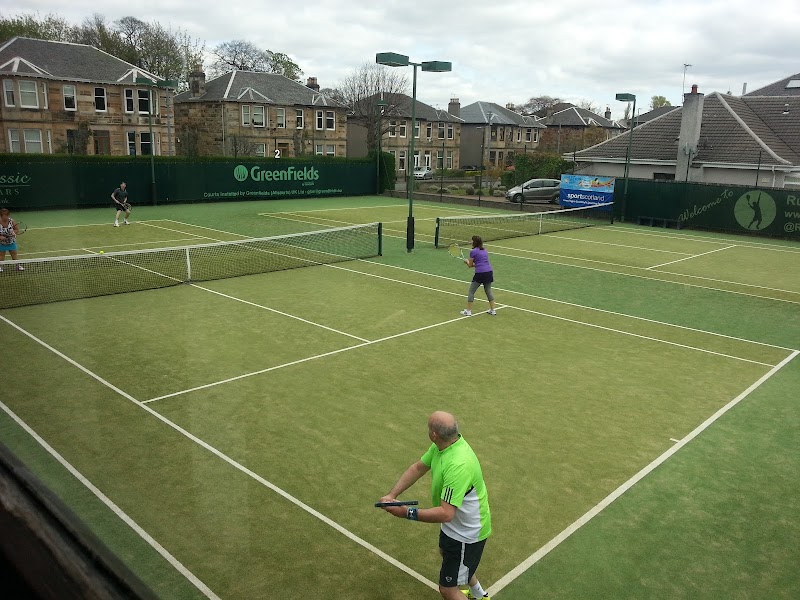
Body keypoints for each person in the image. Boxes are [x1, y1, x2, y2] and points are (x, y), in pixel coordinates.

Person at [379, 411, 492, 600]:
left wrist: (407, 513)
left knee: (448, 590)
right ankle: (480, 595)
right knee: (451, 558)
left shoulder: (458, 465)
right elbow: (418, 468)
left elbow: (446, 513)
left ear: (434, 435)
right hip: (455, 526)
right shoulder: (442, 446)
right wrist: (392, 495)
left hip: (467, 533)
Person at [460, 235, 496, 316]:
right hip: (489, 272)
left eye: (471, 240)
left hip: (480, 273)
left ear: (474, 242)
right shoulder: (485, 250)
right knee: (488, 291)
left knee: (471, 291)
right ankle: (493, 310)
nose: (470, 241)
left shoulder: (473, 252)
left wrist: (466, 262)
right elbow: (479, 263)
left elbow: (470, 265)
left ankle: (468, 311)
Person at [0, 208, 23, 272]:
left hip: (11, 241)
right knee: (1, 255)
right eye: (4, 216)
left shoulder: (11, 221)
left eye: (7, 216)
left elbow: (16, 229)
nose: (6, 218)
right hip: (1, 243)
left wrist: (13, 232)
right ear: (1, 216)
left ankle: (17, 266)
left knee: (14, 254)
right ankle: (0, 266)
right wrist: (0, 237)